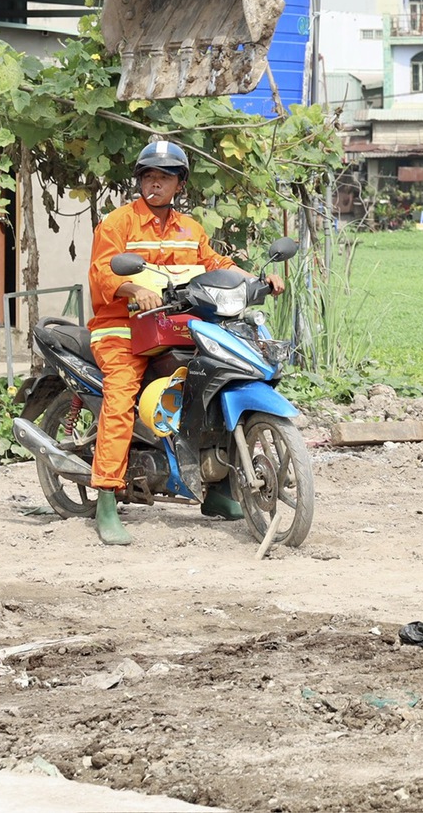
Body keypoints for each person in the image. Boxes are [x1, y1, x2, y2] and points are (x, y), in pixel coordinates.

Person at [85, 140, 278, 546]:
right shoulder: (117, 224)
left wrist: (257, 280)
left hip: (176, 327)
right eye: (148, 176)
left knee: (215, 383)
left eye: (165, 177)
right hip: (121, 328)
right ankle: (105, 497)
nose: (155, 184)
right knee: (121, 395)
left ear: (180, 184)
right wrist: (132, 288)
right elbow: (103, 273)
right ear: (138, 181)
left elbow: (216, 265)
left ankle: (219, 490)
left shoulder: (190, 229)